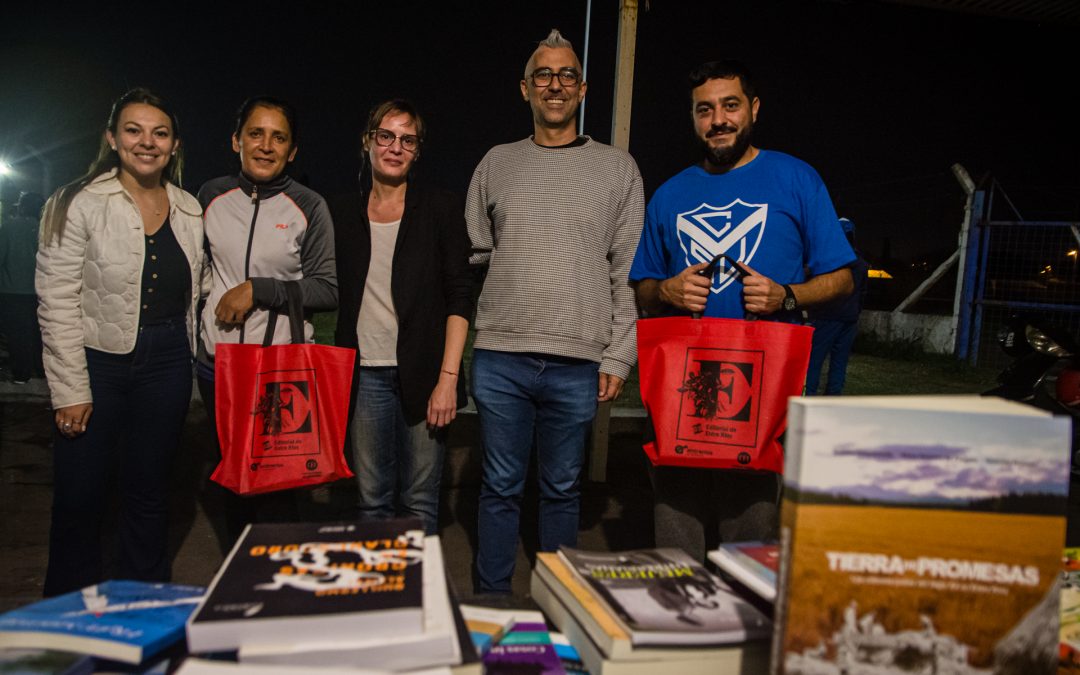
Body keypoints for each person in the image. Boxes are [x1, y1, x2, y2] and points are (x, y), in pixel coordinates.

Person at [629, 59, 856, 561]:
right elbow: (642, 290)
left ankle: (748, 629)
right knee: (676, 526)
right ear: (693, 118)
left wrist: (788, 296)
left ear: (753, 108)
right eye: (704, 110)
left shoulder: (796, 179)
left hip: (761, 382)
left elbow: (842, 278)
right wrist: (666, 291)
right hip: (684, 385)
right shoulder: (669, 194)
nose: (719, 120)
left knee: (752, 535)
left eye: (730, 105)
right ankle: (682, 624)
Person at [466, 29, 645, 594]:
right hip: (502, 357)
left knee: (562, 489)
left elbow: (626, 269)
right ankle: (490, 599)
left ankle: (560, 601)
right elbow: (477, 252)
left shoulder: (618, 169)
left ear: (584, 89)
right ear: (525, 88)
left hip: (577, 362)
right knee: (498, 486)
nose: (555, 85)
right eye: (543, 75)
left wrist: (619, 353)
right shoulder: (497, 162)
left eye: (567, 75)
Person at [36, 88, 204, 596]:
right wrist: (69, 389)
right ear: (112, 138)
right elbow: (56, 298)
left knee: (149, 495)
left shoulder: (190, 208)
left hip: (168, 363)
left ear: (174, 144)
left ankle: (140, 609)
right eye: (134, 130)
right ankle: (65, 620)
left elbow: (198, 290)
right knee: (80, 497)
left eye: (160, 133)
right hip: (97, 365)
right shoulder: (76, 202)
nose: (146, 142)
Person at [197, 96, 337, 543]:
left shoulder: (309, 206)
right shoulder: (209, 197)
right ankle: (242, 586)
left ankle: (280, 590)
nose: (266, 145)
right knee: (235, 486)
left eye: (279, 137)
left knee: (276, 491)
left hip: (277, 370)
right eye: (255, 134)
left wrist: (260, 289)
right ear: (236, 140)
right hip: (216, 366)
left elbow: (328, 289)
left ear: (292, 151)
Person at [331, 99, 472, 536]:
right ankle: (382, 596)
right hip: (365, 374)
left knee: (419, 500)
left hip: (426, 374)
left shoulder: (440, 209)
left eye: (407, 140)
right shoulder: (340, 212)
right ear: (367, 142)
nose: (395, 147)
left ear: (418, 150)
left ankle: (420, 595)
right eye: (386, 136)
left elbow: (460, 298)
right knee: (371, 499)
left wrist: (448, 378)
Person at [805, 217, 870, 395]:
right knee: (839, 363)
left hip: (827, 316)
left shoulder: (830, 260)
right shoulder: (861, 263)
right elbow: (863, 294)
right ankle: (832, 401)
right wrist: (855, 313)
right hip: (849, 319)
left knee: (814, 361)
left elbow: (815, 285)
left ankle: (808, 398)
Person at [0, 191, 46, 383]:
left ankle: (21, 373)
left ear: (22, 206)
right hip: (40, 291)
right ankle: (41, 370)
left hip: (11, 290)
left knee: (17, 334)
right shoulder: (44, 229)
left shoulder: (8, 227)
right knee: (40, 332)